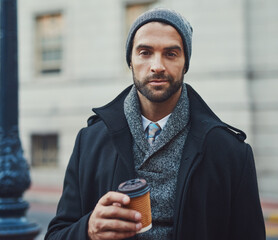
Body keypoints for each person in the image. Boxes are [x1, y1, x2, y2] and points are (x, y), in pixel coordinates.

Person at [44, 8, 265, 240]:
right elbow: (56, 235)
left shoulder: (231, 153)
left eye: (171, 54)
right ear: (130, 60)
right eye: (145, 52)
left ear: (185, 63)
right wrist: (88, 229)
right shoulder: (89, 142)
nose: (157, 66)